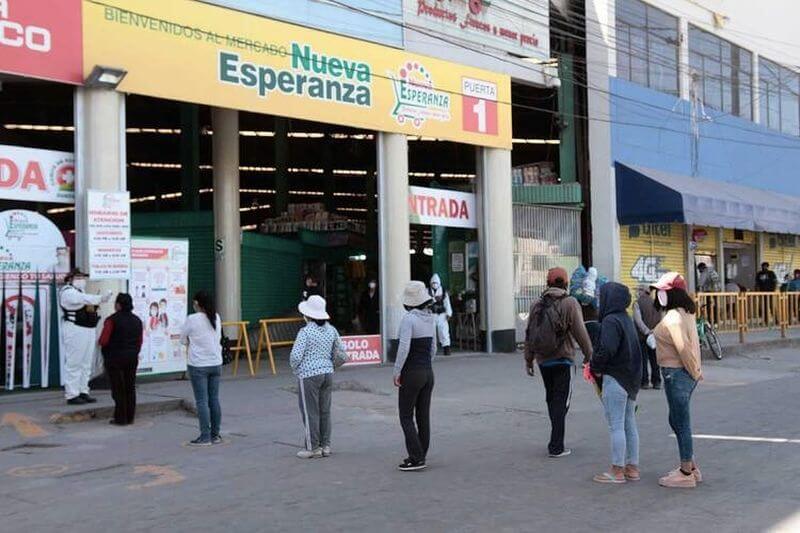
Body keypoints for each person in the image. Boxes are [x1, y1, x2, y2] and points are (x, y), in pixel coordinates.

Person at [525, 267, 593, 458]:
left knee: (552, 398)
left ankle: (556, 439)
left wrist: (528, 359)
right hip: (563, 359)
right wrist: (589, 355)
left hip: (543, 360)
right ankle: (556, 446)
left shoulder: (536, 303)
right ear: (565, 283)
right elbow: (581, 332)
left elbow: (529, 333)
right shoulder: (570, 302)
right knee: (561, 402)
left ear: (547, 283)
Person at [651, 272, 703, 489]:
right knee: (677, 420)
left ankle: (685, 472)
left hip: (677, 374)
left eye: (661, 291)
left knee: (680, 423)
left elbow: (684, 348)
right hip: (682, 374)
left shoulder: (673, 317)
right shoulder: (685, 313)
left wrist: (694, 371)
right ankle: (691, 466)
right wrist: (695, 371)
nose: (657, 295)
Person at [590, 282, 642, 484]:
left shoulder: (611, 321)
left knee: (616, 425)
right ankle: (632, 467)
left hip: (616, 378)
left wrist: (595, 365)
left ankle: (617, 470)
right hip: (630, 379)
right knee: (629, 423)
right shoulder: (625, 319)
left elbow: (606, 349)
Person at [290, 295, 343, 459]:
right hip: (327, 373)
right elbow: (341, 353)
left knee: (310, 411)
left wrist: (296, 370)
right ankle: (325, 445)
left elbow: (295, 356)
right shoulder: (331, 330)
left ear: (308, 315)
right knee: (324, 411)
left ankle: (313, 447)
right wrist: (330, 365)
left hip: (309, 375)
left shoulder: (305, 332)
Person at [394, 281, 436, 472]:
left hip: (411, 373)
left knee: (405, 415)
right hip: (428, 372)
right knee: (423, 416)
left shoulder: (409, 319)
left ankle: (416, 457)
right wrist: (426, 365)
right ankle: (421, 453)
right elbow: (434, 348)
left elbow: (403, 348)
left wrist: (397, 371)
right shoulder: (430, 318)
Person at [59, 269, 111, 405]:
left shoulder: (82, 292)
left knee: (86, 363)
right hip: (75, 329)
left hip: (88, 329)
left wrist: (95, 304)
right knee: (74, 363)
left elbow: (88, 304)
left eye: (83, 277)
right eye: (78, 277)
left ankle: (83, 391)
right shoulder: (67, 292)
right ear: (70, 279)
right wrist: (99, 298)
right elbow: (82, 299)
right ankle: (72, 394)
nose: (82, 279)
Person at [180, 291, 222, 446]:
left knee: (202, 401)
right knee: (214, 399)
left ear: (197, 303)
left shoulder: (192, 319)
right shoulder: (216, 317)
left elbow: (183, 339)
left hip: (198, 365)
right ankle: (215, 435)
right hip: (215, 363)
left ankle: (205, 436)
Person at [98, 293, 143, 426]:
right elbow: (140, 341)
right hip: (132, 357)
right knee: (130, 387)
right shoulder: (137, 320)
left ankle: (120, 418)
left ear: (118, 305)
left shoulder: (111, 320)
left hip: (114, 358)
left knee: (118, 389)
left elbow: (104, 340)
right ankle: (130, 417)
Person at [633, 285, 662, 389]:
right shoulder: (657, 303)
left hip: (642, 336)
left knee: (643, 360)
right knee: (654, 359)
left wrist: (646, 331)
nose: (637, 292)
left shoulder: (637, 303)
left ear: (643, 291)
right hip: (655, 336)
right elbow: (661, 319)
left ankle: (644, 382)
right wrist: (654, 331)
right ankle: (657, 382)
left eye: (638, 290)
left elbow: (638, 320)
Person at [429, 274, 452, 355]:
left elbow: (447, 303)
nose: (434, 284)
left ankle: (446, 348)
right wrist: (434, 299)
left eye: (436, 283)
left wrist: (449, 314)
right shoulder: (427, 291)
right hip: (431, 314)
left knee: (444, 331)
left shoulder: (444, 292)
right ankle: (431, 349)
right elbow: (426, 302)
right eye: (433, 283)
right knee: (431, 332)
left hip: (442, 315)